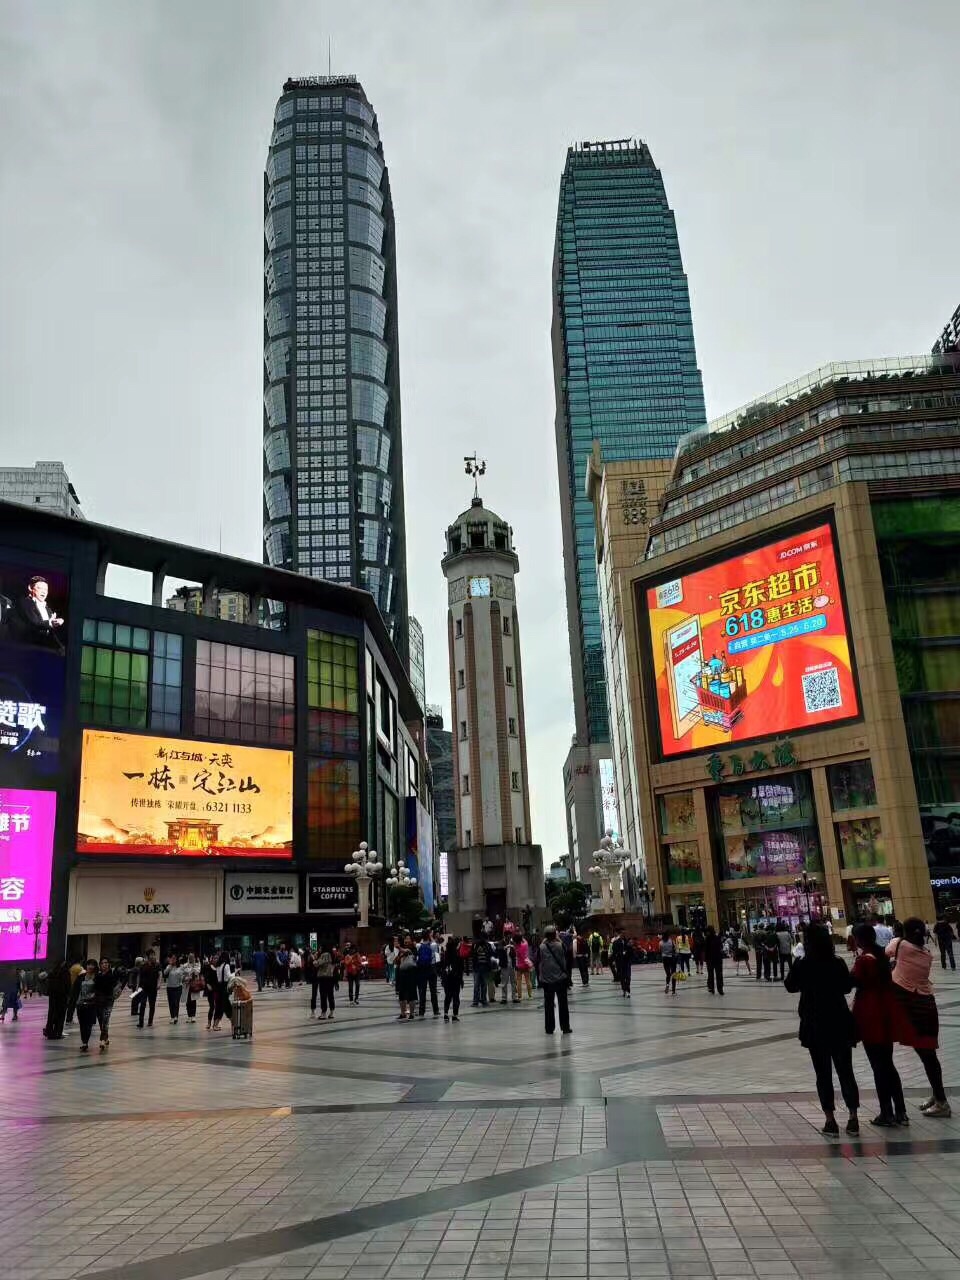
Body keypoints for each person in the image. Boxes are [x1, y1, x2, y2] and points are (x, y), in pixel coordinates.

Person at [785, 924, 860, 1135]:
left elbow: (790, 985)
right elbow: (847, 986)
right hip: (839, 1019)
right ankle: (853, 1117)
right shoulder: (836, 962)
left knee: (823, 1073)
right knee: (846, 1071)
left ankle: (830, 1120)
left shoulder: (803, 964)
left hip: (814, 1022)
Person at [887, 918, 951, 1117]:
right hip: (927, 1007)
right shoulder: (927, 954)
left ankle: (941, 1102)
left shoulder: (900, 945)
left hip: (913, 1008)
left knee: (927, 1057)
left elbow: (885, 953)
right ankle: (937, 1094)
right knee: (928, 1055)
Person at [850, 924, 910, 1127]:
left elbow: (852, 982)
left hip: (870, 1013)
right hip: (885, 1011)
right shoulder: (881, 956)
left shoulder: (865, 959)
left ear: (859, 939)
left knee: (878, 1066)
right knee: (888, 1064)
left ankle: (887, 1112)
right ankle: (900, 1110)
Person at [538, 925, 572, 1036]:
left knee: (548, 1005)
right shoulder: (560, 945)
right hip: (560, 979)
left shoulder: (542, 947)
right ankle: (565, 1027)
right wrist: (558, 939)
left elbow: (536, 959)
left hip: (547, 981)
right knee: (563, 1004)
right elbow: (568, 953)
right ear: (554, 935)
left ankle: (549, 1028)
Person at [17, 574, 65, 648]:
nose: (44, 592)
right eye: (40, 588)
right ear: (30, 588)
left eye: (46, 590)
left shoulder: (48, 609)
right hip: (31, 645)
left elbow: (51, 631)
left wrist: (58, 622)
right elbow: (33, 622)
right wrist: (50, 623)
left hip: (47, 646)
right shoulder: (26, 602)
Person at [73, 961, 99, 1053]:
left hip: (91, 1004)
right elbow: (75, 989)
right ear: (86, 966)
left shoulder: (97, 978)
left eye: (92, 965)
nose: (90, 966)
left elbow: (99, 990)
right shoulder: (81, 977)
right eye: (89, 964)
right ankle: (84, 1041)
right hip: (80, 1004)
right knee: (82, 1024)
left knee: (88, 1024)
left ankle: (85, 1042)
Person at [93, 958, 117, 1049]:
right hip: (99, 1000)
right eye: (102, 963)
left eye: (106, 963)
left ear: (109, 964)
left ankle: (102, 1040)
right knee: (101, 1019)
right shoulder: (98, 976)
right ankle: (106, 1038)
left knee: (106, 1019)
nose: (104, 965)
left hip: (109, 1000)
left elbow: (115, 987)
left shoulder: (112, 975)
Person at [416, 932, 440, 1018]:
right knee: (433, 990)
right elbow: (437, 958)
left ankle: (421, 1011)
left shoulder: (418, 945)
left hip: (422, 970)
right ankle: (436, 1010)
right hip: (432, 969)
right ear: (429, 936)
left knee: (422, 991)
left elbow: (417, 958)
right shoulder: (433, 944)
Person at [439, 936, 464, 1022]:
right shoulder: (458, 957)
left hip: (447, 979)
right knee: (456, 997)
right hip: (456, 979)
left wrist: (443, 979)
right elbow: (461, 970)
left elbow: (442, 969)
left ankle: (446, 1014)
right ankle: (454, 1015)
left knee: (448, 996)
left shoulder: (445, 957)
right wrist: (461, 980)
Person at [136, 950, 160, 1030]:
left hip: (153, 988)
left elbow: (160, 975)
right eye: (152, 955)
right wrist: (137, 986)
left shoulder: (157, 965)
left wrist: (158, 984)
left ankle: (150, 1021)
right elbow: (139, 976)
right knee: (142, 1004)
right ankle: (141, 1022)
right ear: (148, 956)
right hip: (144, 988)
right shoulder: (143, 965)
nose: (153, 956)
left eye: (154, 955)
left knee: (152, 1005)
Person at [396, 941, 418, 1020]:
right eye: (404, 941)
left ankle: (411, 1014)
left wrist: (398, 948)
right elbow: (396, 961)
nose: (406, 942)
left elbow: (406, 951)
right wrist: (399, 956)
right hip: (402, 973)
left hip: (411, 973)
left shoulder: (410, 950)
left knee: (412, 993)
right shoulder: (401, 953)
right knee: (401, 994)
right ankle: (403, 1013)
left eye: (408, 940)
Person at [212, 951, 233, 1030]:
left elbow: (218, 977)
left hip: (219, 987)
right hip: (224, 987)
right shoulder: (226, 965)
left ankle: (215, 1025)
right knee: (227, 1006)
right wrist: (234, 973)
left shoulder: (218, 965)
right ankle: (233, 1023)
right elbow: (229, 976)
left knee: (219, 1006)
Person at [163, 954, 185, 1025]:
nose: (173, 960)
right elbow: (165, 973)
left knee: (176, 1002)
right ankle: (172, 1017)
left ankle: (176, 1016)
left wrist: (182, 976)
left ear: (177, 959)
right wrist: (170, 966)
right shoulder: (169, 966)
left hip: (178, 987)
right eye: (172, 958)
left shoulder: (181, 967)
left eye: (174, 958)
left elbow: (182, 977)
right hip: (170, 987)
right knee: (171, 1002)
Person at [316, 944, 336, 1021]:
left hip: (324, 977)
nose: (319, 949)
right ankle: (331, 1012)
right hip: (330, 977)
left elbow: (317, 964)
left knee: (323, 995)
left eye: (320, 947)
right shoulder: (332, 955)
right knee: (330, 994)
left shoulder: (324, 955)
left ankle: (323, 1013)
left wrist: (314, 959)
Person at [703, 926, 725, 995]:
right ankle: (715, 988)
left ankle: (716, 988)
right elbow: (720, 947)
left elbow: (706, 950)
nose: (707, 933)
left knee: (715, 974)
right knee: (714, 974)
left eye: (707, 931)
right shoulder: (713, 938)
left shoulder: (711, 938)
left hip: (713, 959)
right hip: (714, 959)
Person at [471, 935, 492, 1007]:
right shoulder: (475, 945)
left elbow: (490, 954)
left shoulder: (488, 945)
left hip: (485, 968)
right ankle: (475, 1001)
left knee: (484, 985)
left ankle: (484, 1000)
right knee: (477, 985)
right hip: (477, 968)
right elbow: (472, 954)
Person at [182, 953, 202, 1024]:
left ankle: (193, 1016)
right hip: (187, 986)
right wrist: (187, 977)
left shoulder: (197, 965)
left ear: (194, 958)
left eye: (192, 957)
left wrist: (193, 968)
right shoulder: (185, 965)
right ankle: (189, 1016)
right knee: (188, 1002)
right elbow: (183, 974)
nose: (191, 958)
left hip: (194, 986)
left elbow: (197, 972)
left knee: (193, 1001)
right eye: (190, 957)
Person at [64, 959, 85, 1024]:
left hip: (71, 987)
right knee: (77, 1004)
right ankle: (79, 1019)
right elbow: (85, 975)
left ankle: (69, 1019)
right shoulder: (79, 968)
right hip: (76, 988)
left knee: (71, 1004)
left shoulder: (72, 967)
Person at [514, 934, 534, 1000]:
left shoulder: (516, 946)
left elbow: (514, 942)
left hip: (519, 965)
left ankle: (520, 996)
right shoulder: (525, 945)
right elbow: (524, 940)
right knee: (528, 980)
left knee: (519, 981)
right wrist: (522, 937)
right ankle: (530, 995)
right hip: (526, 964)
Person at [201, 957, 218, 1029]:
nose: (215, 960)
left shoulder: (219, 968)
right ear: (212, 960)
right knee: (212, 1006)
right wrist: (207, 984)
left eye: (217, 959)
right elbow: (205, 977)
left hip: (217, 989)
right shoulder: (208, 967)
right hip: (210, 989)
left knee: (217, 1007)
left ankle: (215, 1024)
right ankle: (209, 1023)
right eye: (214, 959)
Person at [500, 936, 517, 1004]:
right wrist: (506, 947)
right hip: (505, 965)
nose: (509, 938)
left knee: (513, 982)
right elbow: (499, 949)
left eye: (510, 936)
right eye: (508, 936)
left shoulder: (512, 942)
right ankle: (504, 998)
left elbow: (515, 952)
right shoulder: (502, 942)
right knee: (504, 982)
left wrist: (513, 947)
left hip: (512, 964)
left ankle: (514, 997)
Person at [660, 931, 678, 995]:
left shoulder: (661, 942)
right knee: (673, 974)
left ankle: (667, 985)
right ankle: (673, 991)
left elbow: (660, 950)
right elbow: (675, 949)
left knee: (668, 974)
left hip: (664, 958)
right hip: (671, 958)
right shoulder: (671, 941)